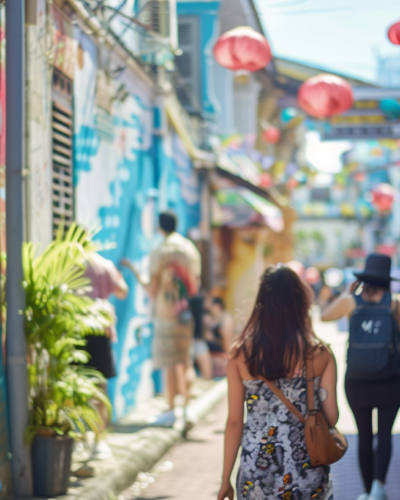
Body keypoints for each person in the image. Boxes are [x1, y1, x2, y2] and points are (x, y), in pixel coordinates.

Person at [218, 265, 337, 500]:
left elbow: (234, 422)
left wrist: (225, 479)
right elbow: (331, 418)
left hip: (257, 471)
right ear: (300, 303)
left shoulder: (240, 354)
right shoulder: (321, 354)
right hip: (308, 470)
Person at [320, 254, 400, 500]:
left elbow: (324, 316)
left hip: (357, 381)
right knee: (385, 433)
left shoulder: (350, 303)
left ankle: (366, 492)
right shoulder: (394, 304)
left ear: (363, 278)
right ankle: (379, 487)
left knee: (364, 435)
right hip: (390, 379)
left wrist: (346, 292)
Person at [121, 211, 201, 413]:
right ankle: (188, 404)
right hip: (185, 312)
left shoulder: (159, 251)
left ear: (160, 227)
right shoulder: (189, 249)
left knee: (169, 362)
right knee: (185, 360)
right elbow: (196, 283)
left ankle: (171, 408)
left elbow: (152, 289)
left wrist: (133, 270)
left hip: (166, 313)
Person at [84, 252, 128, 459]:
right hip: (100, 326)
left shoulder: (68, 261)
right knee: (100, 386)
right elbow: (122, 292)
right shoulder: (103, 263)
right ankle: (100, 440)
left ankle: (80, 437)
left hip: (75, 326)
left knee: (77, 387)